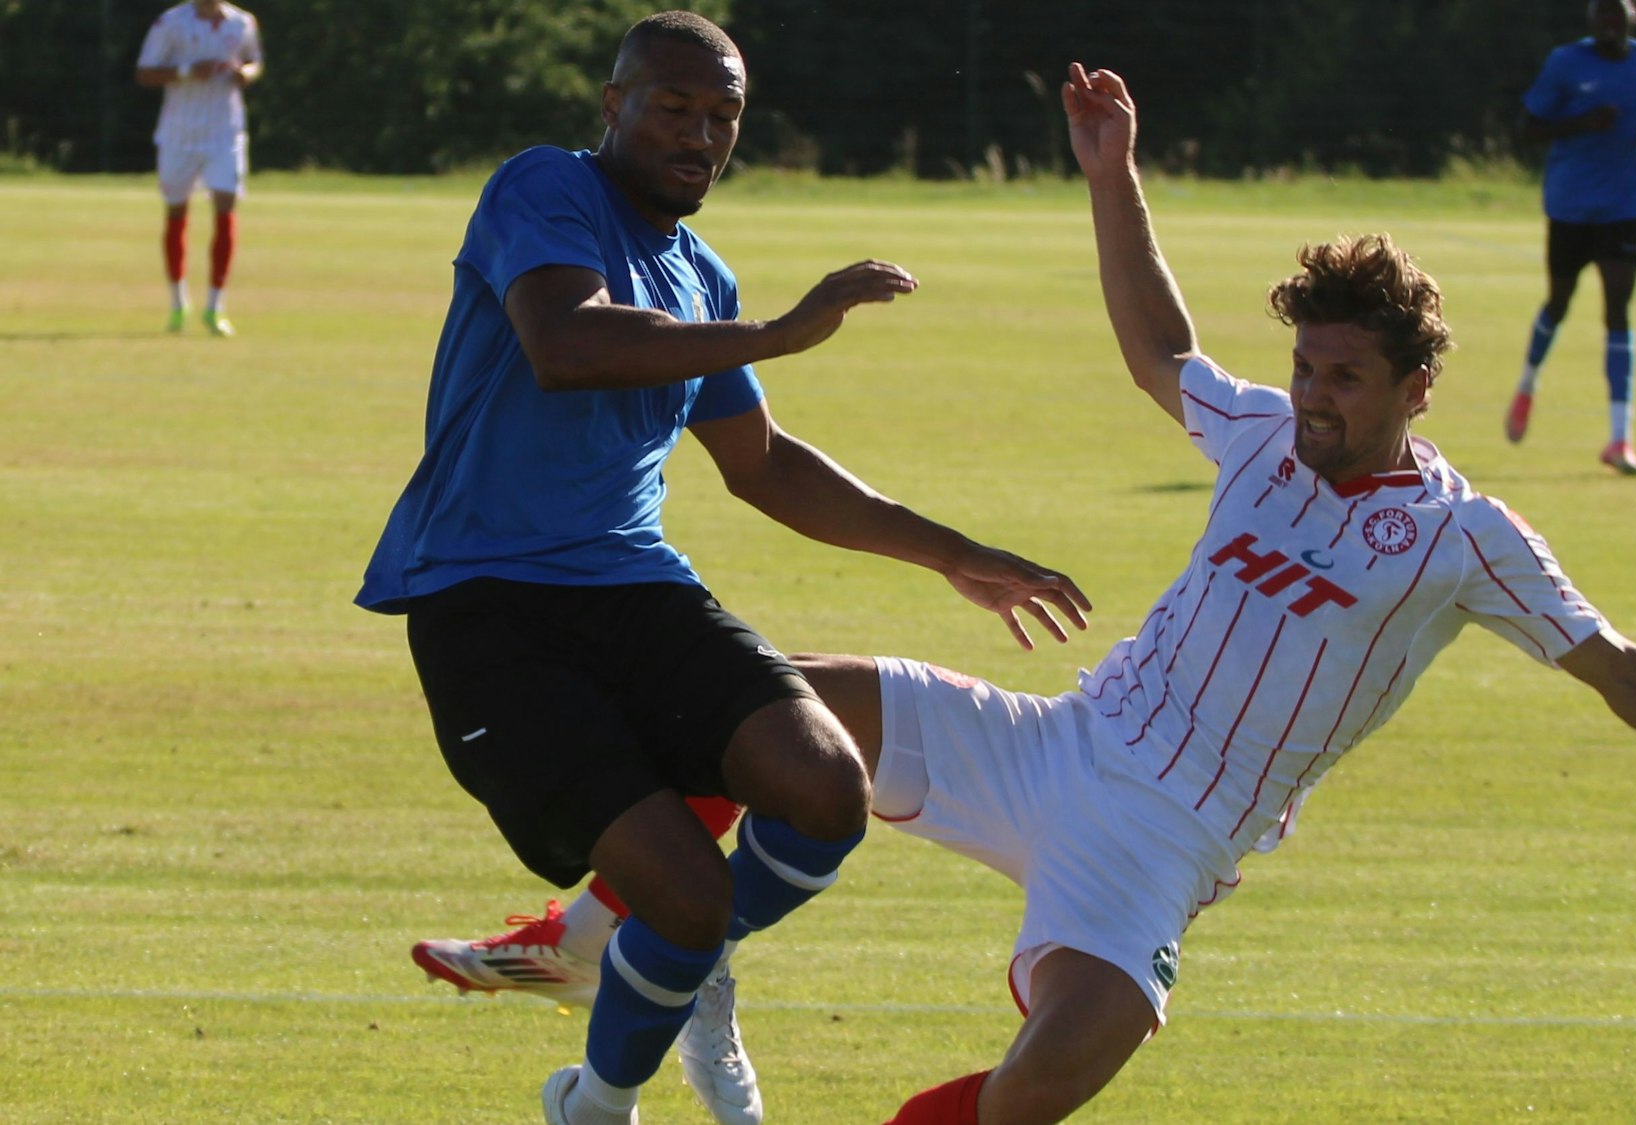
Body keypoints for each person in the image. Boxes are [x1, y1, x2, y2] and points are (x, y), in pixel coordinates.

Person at [418, 61, 1636, 1125]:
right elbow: (1159, 349)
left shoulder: (1469, 537)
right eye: (1307, 368)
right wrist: (1111, 173)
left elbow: (1622, 664)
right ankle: (618, 942)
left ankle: (684, 961)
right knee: (776, 715)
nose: (1312, 399)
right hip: (1053, 740)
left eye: (1343, 379)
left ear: (1412, 387)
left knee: (1046, 1086)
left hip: (1167, 843)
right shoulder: (1259, 431)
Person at [355, 13, 1088, 1125]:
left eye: (723, 116)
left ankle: (654, 967)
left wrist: (952, 555)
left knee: (822, 786)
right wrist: (778, 334)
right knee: (687, 896)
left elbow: (764, 467)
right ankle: (601, 1097)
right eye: (674, 107)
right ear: (613, 106)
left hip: (636, 589)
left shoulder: (700, 270)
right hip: (486, 607)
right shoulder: (544, 189)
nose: (700, 134)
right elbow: (570, 343)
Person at [1506, 0, 1636, 474]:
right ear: (1590, 21)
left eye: (1617, 16)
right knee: (1559, 302)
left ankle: (1620, 440)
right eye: (1601, 15)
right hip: (1571, 206)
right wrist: (1581, 123)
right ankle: (1527, 384)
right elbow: (1528, 127)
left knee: (1618, 310)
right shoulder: (1566, 63)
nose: (1609, 24)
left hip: (1625, 206)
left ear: (1632, 18)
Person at [134, 0, 263, 337]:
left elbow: (254, 61)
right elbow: (145, 72)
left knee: (226, 204)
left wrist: (245, 73)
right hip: (179, 133)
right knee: (177, 211)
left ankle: (215, 307)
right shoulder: (171, 23)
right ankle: (179, 304)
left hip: (225, 133)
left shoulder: (242, 22)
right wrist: (187, 70)